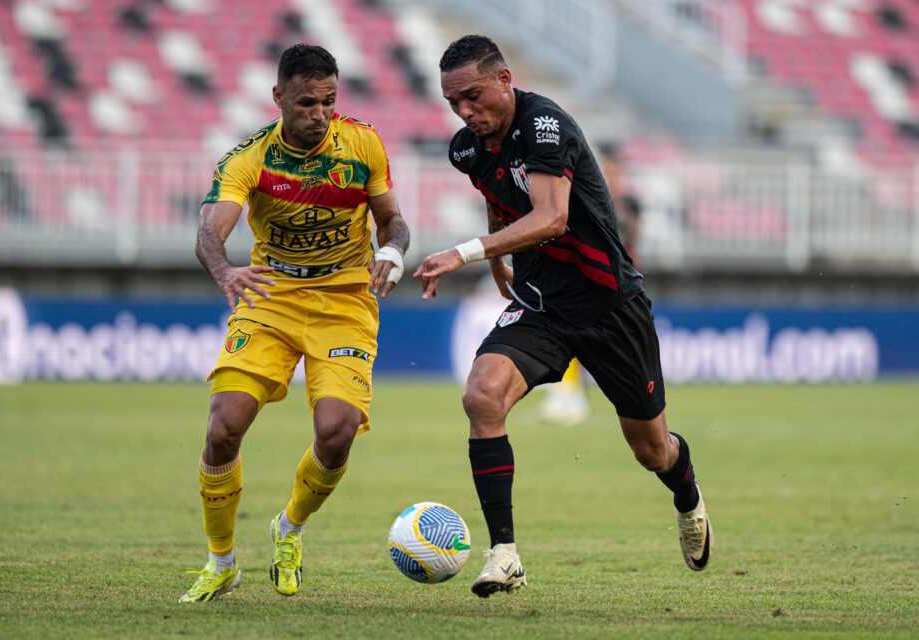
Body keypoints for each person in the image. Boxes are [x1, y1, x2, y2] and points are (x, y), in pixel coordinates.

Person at [414, 35, 712, 599]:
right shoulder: (466, 148)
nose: (465, 112)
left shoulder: (545, 125)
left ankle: (687, 491)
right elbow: (494, 189)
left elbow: (552, 217)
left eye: (474, 96)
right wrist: (502, 253)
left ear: (505, 80)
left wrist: (469, 251)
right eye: (455, 103)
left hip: (609, 305)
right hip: (540, 303)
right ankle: (504, 554)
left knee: (651, 450)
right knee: (482, 395)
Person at [179, 43, 410, 603]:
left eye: (329, 102)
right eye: (307, 103)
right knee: (222, 427)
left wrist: (394, 253)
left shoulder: (362, 142)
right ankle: (222, 561)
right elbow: (210, 231)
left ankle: (290, 527)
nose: (320, 114)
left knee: (337, 432)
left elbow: (393, 220)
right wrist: (224, 270)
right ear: (278, 97)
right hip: (270, 292)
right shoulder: (248, 159)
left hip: (345, 297)